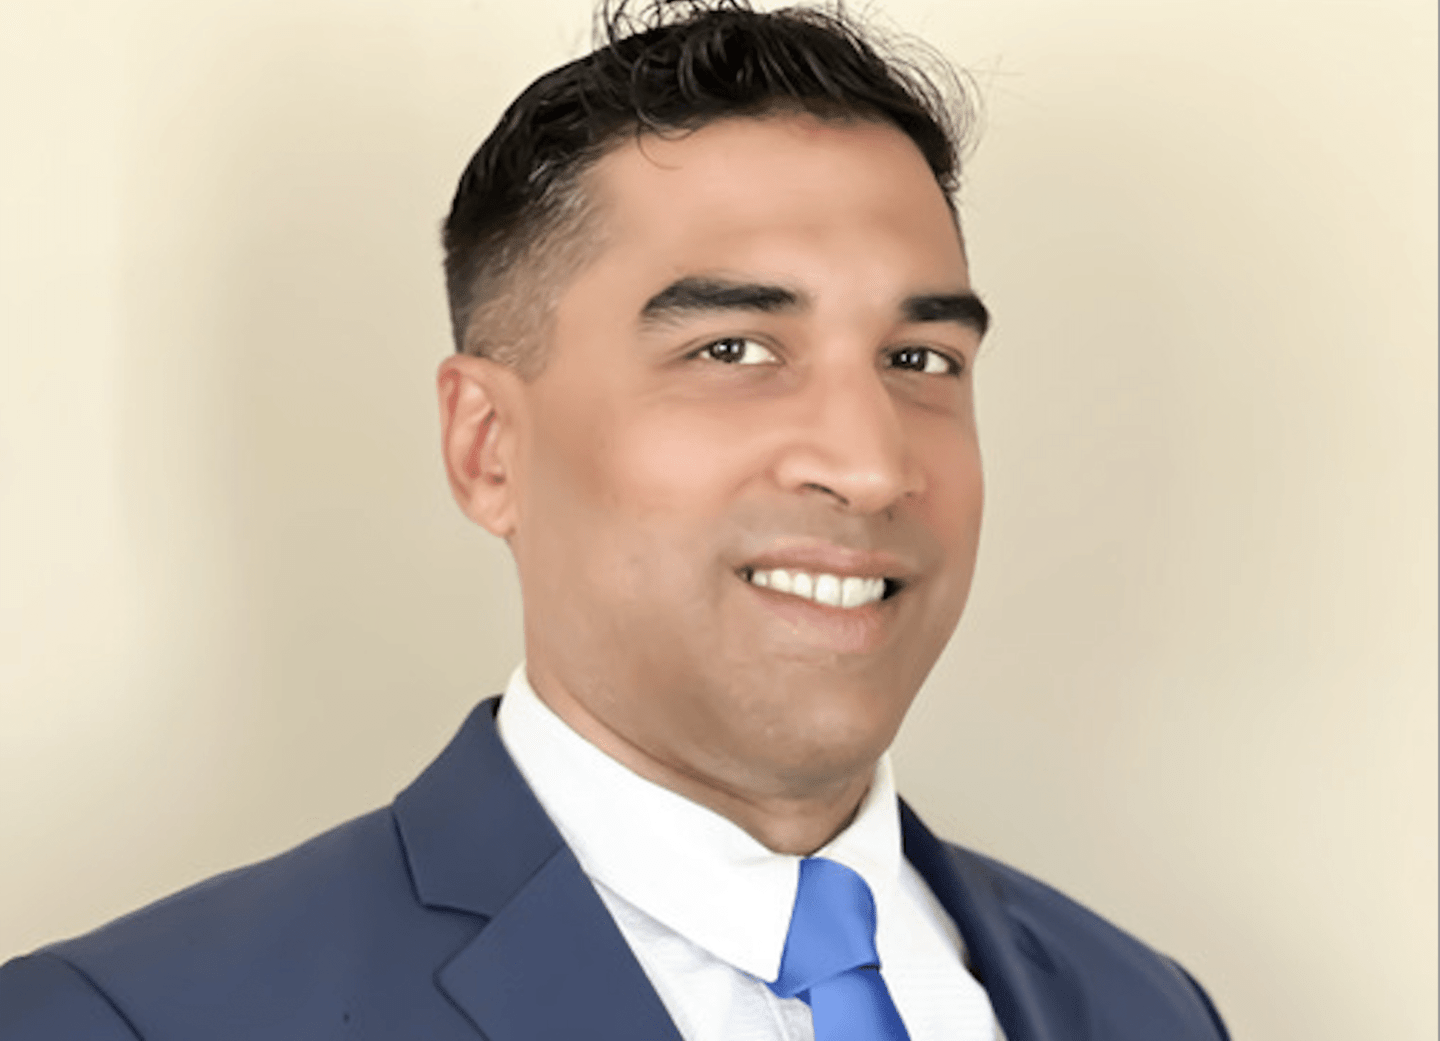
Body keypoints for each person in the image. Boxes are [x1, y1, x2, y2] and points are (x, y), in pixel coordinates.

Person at [0, 1, 1230, 1038]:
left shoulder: (1149, 1007)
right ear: (488, 447)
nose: (868, 466)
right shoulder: (128, 1019)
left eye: (920, 360)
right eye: (735, 348)